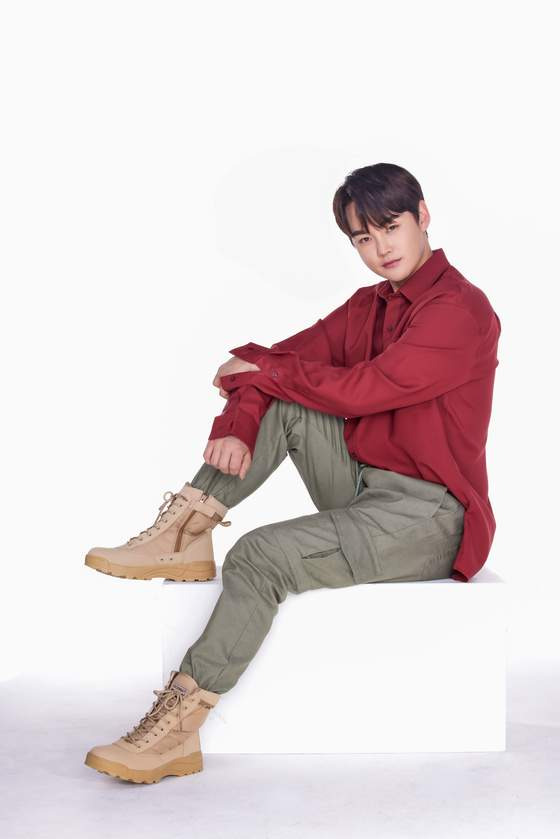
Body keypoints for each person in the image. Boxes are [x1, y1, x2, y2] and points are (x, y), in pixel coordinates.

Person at [83, 162, 501, 784]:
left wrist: (262, 374)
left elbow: (365, 388)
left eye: (391, 227)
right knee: (288, 398)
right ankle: (184, 532)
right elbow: (280, 362)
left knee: (259, 555)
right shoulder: (367, 307)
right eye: (363, 238)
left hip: (428, 517)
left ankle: (176, 733)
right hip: (363, 487)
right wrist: (239, 422)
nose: (380, 249)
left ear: (423, 216)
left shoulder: (460, 311)